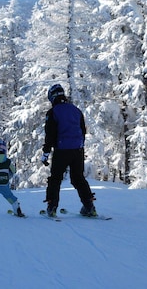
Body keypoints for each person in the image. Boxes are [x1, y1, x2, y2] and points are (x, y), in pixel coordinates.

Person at [41, 84, 96, 217]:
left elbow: (50, 134)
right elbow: (83, 130)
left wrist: (46, 152)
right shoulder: (76, 110)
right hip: (77, 149)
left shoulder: (53, 112)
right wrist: (79, 145)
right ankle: (89, 206)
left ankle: (52, 206)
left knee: (55, 179)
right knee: (78, 178)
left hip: (61, 150)